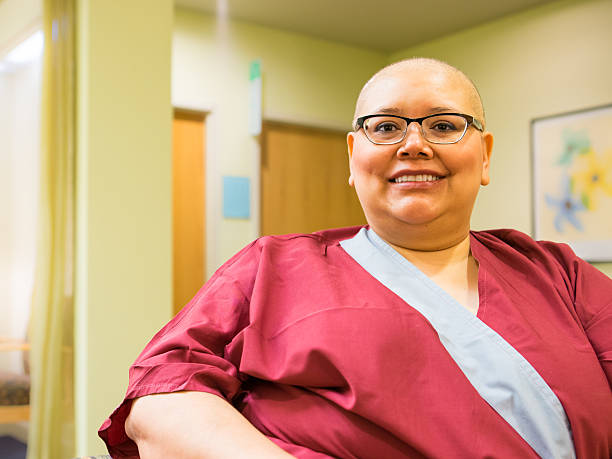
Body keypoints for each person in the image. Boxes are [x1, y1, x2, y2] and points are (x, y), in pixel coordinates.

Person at [99, 58, 612, 458]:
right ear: (353, 156)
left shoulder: (555, 272)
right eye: (385, 127)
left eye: (443, 125)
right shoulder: (270, 268)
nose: (413, 144)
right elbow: (161, 398)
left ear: (485, 156)